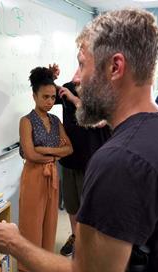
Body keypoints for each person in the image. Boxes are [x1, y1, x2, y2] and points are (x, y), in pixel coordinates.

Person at [0, 8, 158, 272]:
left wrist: (16, 243)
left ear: (115, 67)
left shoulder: (121, 161)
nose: (75, 79)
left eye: (81, 65)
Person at [17, 66, 73, 272]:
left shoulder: (56, 120)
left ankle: (43, 264)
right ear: (34, 96)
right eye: (45, 97)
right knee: (31, 223)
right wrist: (51, 153)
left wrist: (44, 151)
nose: (50, 101)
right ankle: (24, 267)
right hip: (33, 176)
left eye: (52, 97)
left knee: (50, 221)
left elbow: (69, 149)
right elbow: (29, 154)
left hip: (52, 177)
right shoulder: (26, 121)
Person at [56, 71, 111, 256]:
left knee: (90, 206)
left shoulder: (104, 91)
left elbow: (99, 121)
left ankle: (90, 244)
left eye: (83, 65)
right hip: (70, 158)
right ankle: (75, 237)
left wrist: (73, 99)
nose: (77, 76)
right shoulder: (69, 87)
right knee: (72, 204)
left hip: (93, 161)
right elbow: (44, 93)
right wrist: (50, 76)